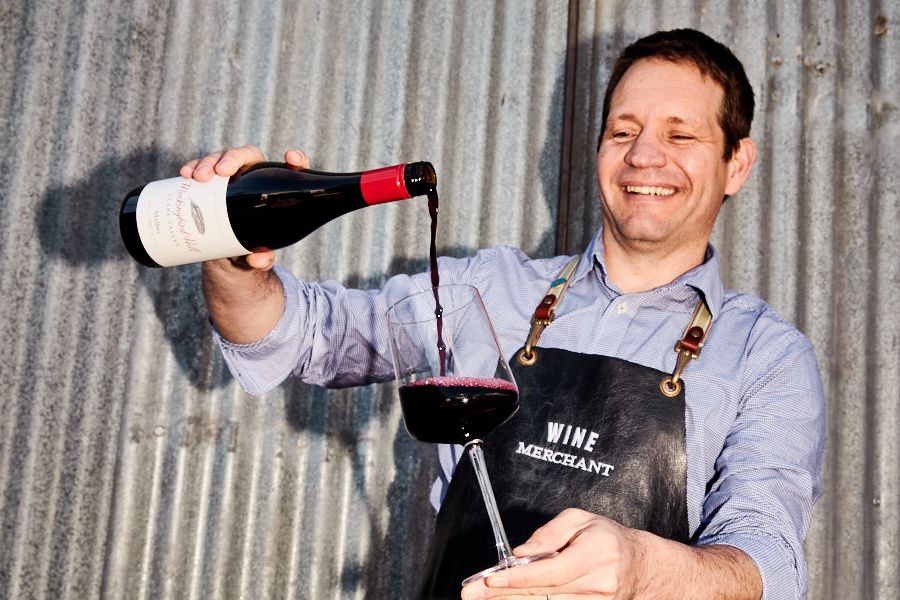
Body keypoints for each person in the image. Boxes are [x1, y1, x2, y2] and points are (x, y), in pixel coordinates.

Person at [183, 29, 825, 600]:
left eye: (680, 135)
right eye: (622, 131)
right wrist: (231, 255)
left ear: (736, 162)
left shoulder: (765, 355)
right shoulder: (489, 288)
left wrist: (640, 571)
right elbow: (302, 335)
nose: (643, 156)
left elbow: (769, 560)